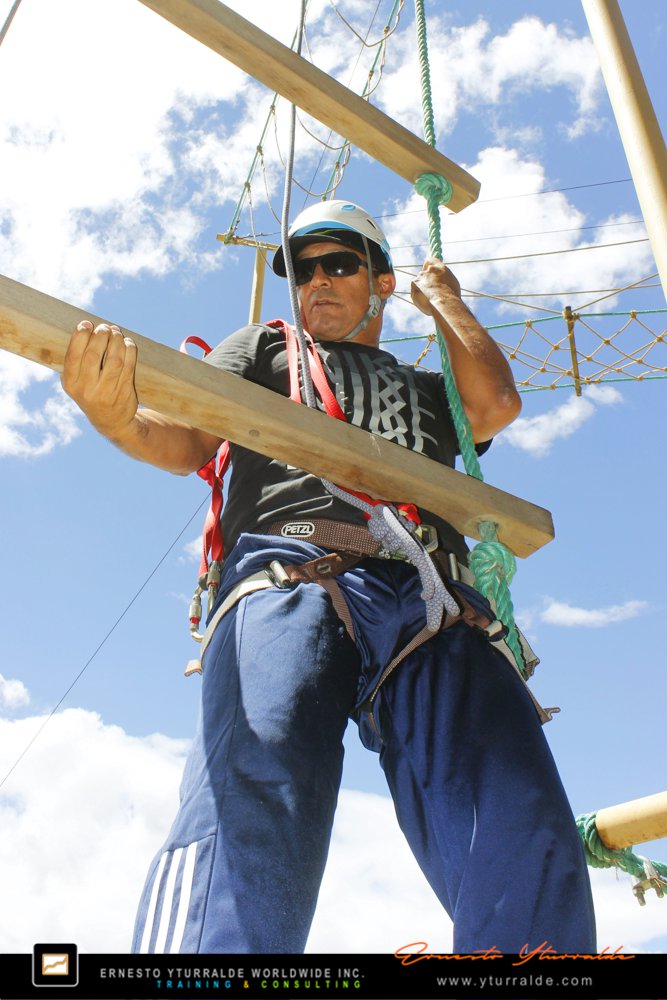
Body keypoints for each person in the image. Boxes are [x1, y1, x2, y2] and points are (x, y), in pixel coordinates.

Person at [62, 200, 596, 955]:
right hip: (291, 572)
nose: (314, 281)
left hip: (431, 601)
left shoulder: (422, 389)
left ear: (379, 281)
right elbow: (184, 440)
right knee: (259, 778)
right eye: (302, 270)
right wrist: (115, 415)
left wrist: (443, 300)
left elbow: (494, 404)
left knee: (518, 811)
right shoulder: (262, 348)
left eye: (337, 263)